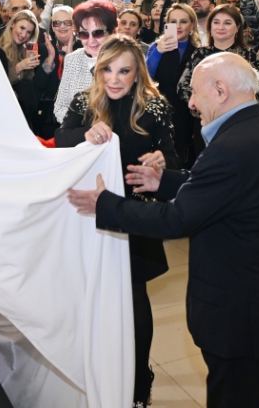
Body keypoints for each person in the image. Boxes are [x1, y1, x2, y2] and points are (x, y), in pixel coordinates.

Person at [67, 52, 259, 408]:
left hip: (241, 315)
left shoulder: (232, 146)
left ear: (220, 90)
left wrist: (106, 205)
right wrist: (164, 181)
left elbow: (176, 219)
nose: (190, 103)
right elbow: (223, 190)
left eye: (194, 92)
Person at [55, 35, 179, 408]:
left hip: (135, 215)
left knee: (135, 299)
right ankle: (95, 373)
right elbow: (60, 139)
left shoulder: (154, 107)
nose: (114, 78)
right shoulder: (84, 102)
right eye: (107, 69)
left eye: (124, 71)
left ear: (137, 72)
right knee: (90, 297)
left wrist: (161, 160)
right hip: (89, 214)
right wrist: (84, 134)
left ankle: (140, 382)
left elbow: (173, 157)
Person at [177, 5, 259, 104]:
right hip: (206, 111)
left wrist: (230, 105)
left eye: (227, 23)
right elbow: (182, 88)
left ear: (237, 27)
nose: (221, 27)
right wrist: (208, 103)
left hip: (238, 112)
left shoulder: (248, 55)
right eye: (216, 22)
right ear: (210, 26)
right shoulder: (200, 54)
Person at [147, 3, 201, 167]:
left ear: (192, 25)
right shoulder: (156, 48)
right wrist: (158, 51)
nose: (178, 26)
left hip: (187, 117)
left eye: (183, 21)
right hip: (158, 114)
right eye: (173, 22)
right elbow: (146, 77)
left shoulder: (199, 51)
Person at [53, 0, 118, 123]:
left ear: (113, 32)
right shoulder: (72, 60)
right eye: (84, 34)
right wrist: (80, 128)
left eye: (98, 33)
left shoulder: (125, 60)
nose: (91, 40)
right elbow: (60, 106)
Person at [33, 6, 82, 137]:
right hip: (49, 114)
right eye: (57, 23)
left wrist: (70, 58)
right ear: (52, 27)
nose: (62, 26)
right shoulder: (43, 48)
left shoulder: (84, 48)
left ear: (74, 25)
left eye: (67, 22)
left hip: (77, 113)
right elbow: (40, 84)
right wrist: (50, 59)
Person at [0, 11, 41, 124]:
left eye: (28, 32)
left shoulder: (25, 51)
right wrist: (18, 68)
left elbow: (30, 83)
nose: (23, 35)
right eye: (22, 28)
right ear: (12, 24)